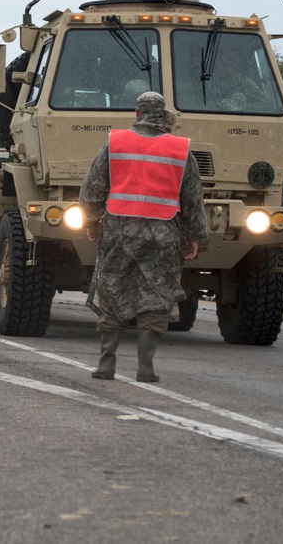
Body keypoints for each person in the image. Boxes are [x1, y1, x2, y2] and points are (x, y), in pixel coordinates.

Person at [80, 92, 208, 382]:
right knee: (157, 295)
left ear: (137, 113)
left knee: (112, 290)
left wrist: (92, 221)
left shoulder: (116, 143)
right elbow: (193, 199)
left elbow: (92, 189)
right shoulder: (180, 149)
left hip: (118, 231)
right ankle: (145, 368)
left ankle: (106, 365)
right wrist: (194, 236)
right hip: (164, 234)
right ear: (163, 115)